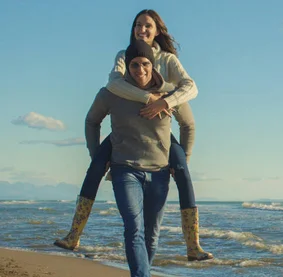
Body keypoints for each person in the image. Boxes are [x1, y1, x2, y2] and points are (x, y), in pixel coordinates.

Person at [53, 9, 212, 261]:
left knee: (182, 168)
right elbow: (114, 84)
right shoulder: (123, 55)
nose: (142, 29)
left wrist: (166, 103)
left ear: (157, 30)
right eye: (138, 25)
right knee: (96, 165)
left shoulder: (168, 60)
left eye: (148, 25)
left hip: (160, 135)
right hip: (126, 131)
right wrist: (148, 98)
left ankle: (193, 245)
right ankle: (74, 234)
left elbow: (191, 87)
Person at [86, 40, 188, 277]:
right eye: (134, 65)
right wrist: (97, 157)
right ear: (127, 67)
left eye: (144, 64)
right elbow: (91, 121)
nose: (140, 70)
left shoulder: (169, 93)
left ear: (152, 65)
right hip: (125, 169)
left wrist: (182, 160)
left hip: (161, 171)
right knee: (134, 229)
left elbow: (188, 125)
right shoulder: (112, 92)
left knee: (152, 234)